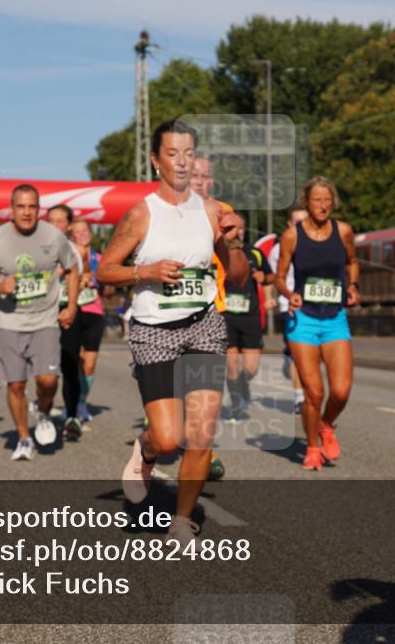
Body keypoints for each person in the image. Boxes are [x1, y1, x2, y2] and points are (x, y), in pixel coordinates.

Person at [97, 119, 247, 544]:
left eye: (188, 154)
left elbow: (238, 277)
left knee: (200, 435)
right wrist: (144, 270)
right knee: (167, 438)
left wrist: (235, 243)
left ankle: (182, 520)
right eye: (172, 154)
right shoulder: (142, 213)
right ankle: (143, 450)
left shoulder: (215, 211)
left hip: (204, 327)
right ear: (155, 161)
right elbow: (105, 271)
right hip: (154, 330)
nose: (181, 163)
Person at [0, 185, 78, 459]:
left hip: (45, 320)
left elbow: (72, 268)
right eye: (21, 206)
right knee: (16, 384)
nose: (26, 212)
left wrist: (70, 306)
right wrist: (0, 287)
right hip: (10, 322)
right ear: (12, 209)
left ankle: (43, 408)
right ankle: (24, 438)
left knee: (48, 380)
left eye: (32, 206)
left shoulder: (53, 235)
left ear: (39, 209)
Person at [274, 176, 359, 471]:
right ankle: (312, 447)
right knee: (314, 392)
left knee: (341, 391)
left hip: (335, 319)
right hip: (304, 321)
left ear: (332, 202)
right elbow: (279, 275)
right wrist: (289, 294)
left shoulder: (344, 231)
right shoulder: (292, 237)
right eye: (317, 200)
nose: (323, 206)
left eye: (327, 200)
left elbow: (352, 262)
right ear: (306, 203)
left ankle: (326, 424)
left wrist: (353, 286)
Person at [189, 153, 235, 478]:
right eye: (194, 175)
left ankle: (207, 450)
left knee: (204, 396)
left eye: (206, 177)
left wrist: (238, 243)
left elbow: (236, 267)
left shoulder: (223, 212)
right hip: (167, 316)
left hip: (211, 310)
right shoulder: (163, 211)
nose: (200, 182)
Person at [221, 212, 274, 423]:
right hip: (225, 316)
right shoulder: (218, 252)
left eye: (241, 228)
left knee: (250, 368)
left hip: (250, 315)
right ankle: (236, 406)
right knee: (231, 365)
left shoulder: (255, 253)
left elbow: (270, 277)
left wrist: (266, 287)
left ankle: (243, 386)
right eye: (234, 228)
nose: (238, 232)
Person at [46, 204, 86, 438]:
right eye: (52, 220)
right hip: (44, 312)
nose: (56, 225)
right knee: (46, 367)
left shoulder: (76, 250)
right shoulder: (37, 246)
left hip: (68, 310)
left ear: (69, 225)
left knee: (70, 365)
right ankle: (45, 404)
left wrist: (71, 307)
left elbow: (80, 279)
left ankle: (71, 415)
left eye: (61, 221)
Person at [268, 206, 310, 414]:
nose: (300, 226)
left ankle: (307, 388)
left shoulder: (317, 244)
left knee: (310, 354)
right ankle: (300, 397)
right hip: (289, 306)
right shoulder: (278, 249)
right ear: (289, 224)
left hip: (315, 306)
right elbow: (274, 279)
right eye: (296, 222)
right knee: (297, 355)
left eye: (304, 221)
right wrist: (271, 297)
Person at [70, 219, 108, 423]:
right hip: (73, 312)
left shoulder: (100, 258)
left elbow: (108, 291)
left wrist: (107, 283)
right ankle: (70, 400)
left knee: (90, 365)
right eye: (77, 231)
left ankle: (82, 403)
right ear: (72, 236)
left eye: (85, 230)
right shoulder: (68, 257)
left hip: (94, 313)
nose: (82, 234)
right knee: (74, 362)